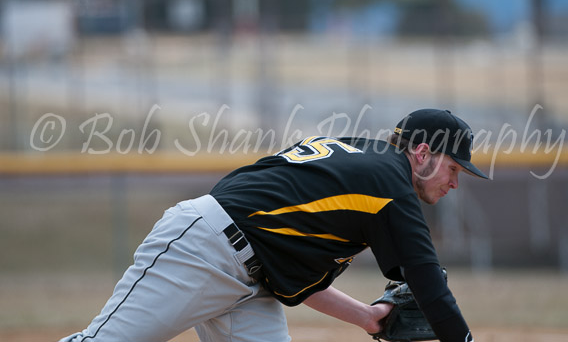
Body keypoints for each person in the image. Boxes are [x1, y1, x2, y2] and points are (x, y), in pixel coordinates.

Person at [60, 108, 487, 342]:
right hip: (203, 249)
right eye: (453, 167)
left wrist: (367, 317)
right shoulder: (388, 184)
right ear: (423, 152)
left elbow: (291, 272)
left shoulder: (360, 159)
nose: (454, 181)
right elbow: (428, 281)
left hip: (250, 274)